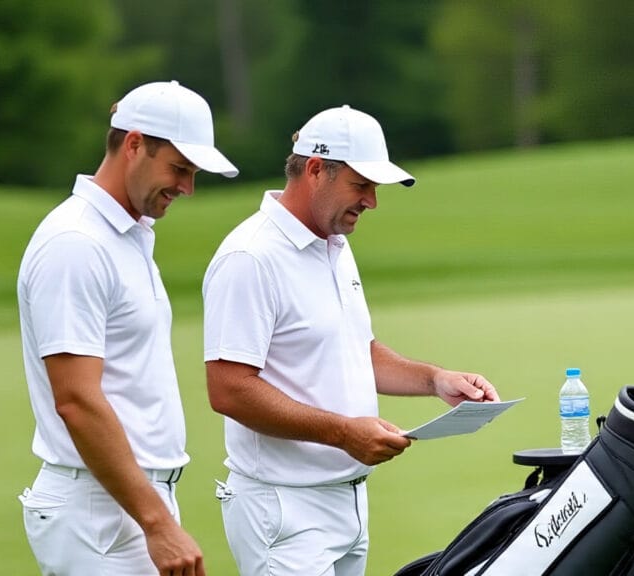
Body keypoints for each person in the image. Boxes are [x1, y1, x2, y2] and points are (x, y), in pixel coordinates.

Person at [203, 104, 499, 575]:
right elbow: (229, 388)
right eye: (361, 186)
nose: (372, 202)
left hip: (347, 505)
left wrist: (435, 380)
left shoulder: (334, 243)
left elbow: (358, 350)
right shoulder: (250, 257)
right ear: (316, 170)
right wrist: (343, 432)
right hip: (283, 510)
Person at [17, 80, 238, 576]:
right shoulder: (76, 243)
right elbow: (76, 399)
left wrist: (155, 515)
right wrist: (158, 523)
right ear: (134, 144)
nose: (187, 188)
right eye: (179, 169)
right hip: (99, 512)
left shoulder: (127, 235)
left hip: (124, 501)